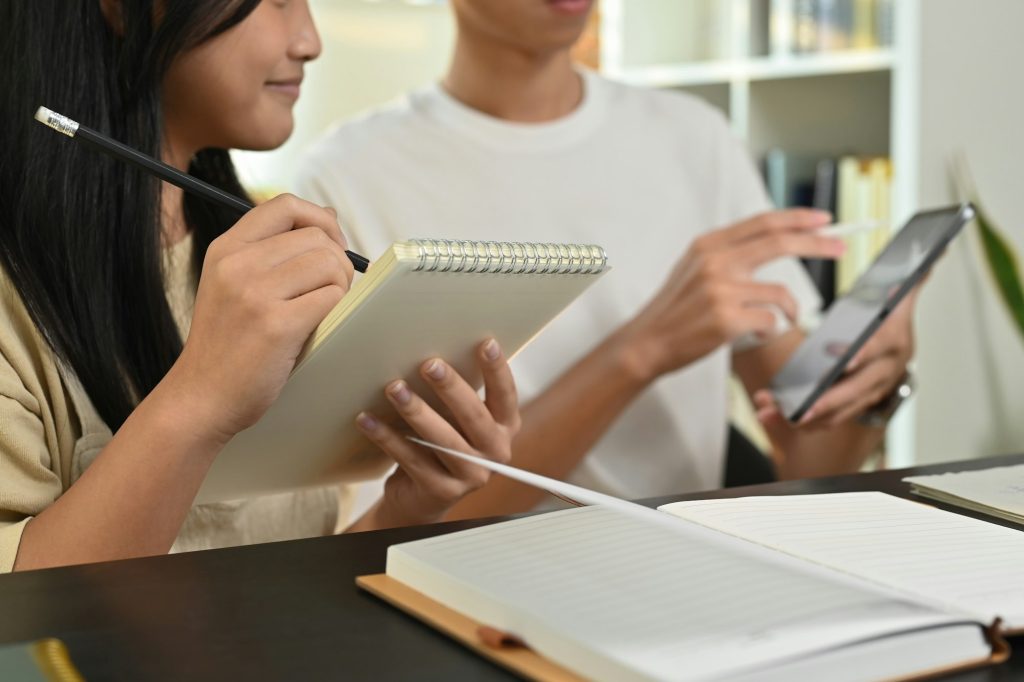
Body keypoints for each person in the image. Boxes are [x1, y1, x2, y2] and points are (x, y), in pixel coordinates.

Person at [296, 0, 918, 519]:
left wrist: (875, 387)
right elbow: (404, 517)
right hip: (469, 601)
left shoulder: (695, 139)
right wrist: (641, 350)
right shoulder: (345, 178)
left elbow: (810, 463)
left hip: (684, 587)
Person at [0, 0, 520, 573]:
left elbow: (283, 597)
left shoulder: (270, 258)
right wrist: (200, 398)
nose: (310, 41)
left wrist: (403, 513)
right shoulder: (16, 300)